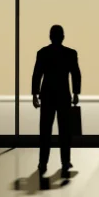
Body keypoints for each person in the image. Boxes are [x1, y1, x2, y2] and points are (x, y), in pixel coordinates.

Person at [32, 25, 81, 176]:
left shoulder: (42, 53)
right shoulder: (70, 54)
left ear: (50, 36)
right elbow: (75, 74)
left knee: (45, 130)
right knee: (65, 131)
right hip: (63, 95)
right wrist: (76, 93)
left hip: (47, 96)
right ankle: (65, 161)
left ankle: (43, 162)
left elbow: (37, 74)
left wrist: (35, 94)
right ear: (63, 37)